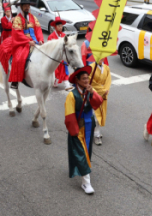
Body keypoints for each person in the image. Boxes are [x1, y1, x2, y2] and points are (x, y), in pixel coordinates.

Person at [64, 66, 104, 194]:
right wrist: (74, 131)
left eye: (87, 78)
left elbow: (98, 102)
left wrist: (92, 92)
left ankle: (83, 171)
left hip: (89, 124)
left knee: (86, 151)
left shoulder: (89, 91)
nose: (87, 80)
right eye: (84, 79)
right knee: (81, 152)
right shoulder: (72, 95)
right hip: (78, 126)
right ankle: (86, 183)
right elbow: (69, 116)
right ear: (77, 81)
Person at [8, 0, 44, 89]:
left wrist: (40, 39)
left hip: (35, 41)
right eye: (25, 5)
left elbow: (38, 29)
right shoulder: (17, 19)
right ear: (21, 7)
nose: (27, 7)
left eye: (28, 5)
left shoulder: (33, 18)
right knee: (19, 58)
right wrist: (28, 41)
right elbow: (17, 34)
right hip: (23, 43)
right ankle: (15, 80)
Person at [89, 59, 111, 146]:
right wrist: (101, 90)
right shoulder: (91, 67)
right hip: (94, 93)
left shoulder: (106, 68)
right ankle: (96, 134)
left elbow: (108, 81)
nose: (101, 58)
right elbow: (91, 82)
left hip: (104, 93)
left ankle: (94, 131)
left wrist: (106, 90)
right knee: (95, 115)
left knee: (101, 114)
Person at [47, 17, 70, 88]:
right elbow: (49, 47)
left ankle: (66, 82)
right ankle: (55, 80)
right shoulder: (51, 36)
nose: (60, 28)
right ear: (55, 27)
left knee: (64, 67)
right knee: (55, 70)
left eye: (61, 26)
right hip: (55, 56)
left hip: (62, 56)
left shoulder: (64, 35)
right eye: (59, 26)